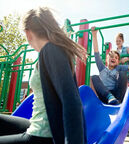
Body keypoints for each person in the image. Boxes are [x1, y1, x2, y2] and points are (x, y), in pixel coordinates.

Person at [0, 7, 86, 144]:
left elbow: (72, 103)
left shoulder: (51, 50)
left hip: (42, 135)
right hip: (38, 124)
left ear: (28, 33)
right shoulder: (49, 51)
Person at [91, 27, 129, 105]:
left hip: (117, 94)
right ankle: (109, 97)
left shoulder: (118, 68)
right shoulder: (102, 67)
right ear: (107, 59)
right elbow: (96, 53)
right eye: (111, 57)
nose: (113, 58)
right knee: (94, 77)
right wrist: (94, 35)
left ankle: (119, 101)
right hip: (105, 95)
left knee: (123, 74)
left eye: (116, 58)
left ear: (118, 61)